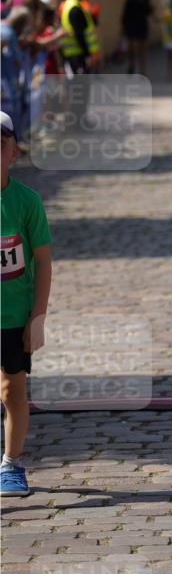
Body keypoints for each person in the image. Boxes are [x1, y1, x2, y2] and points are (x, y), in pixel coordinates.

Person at [1, 111, 52, 497]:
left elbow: (43, 261)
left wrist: (38, 317)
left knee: (11, 391)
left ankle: (12, 464)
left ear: (13, 152)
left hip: (14, 316)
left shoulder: (27, 202)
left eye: (0, 145)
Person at [121, 0, 153, 76]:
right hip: (132, 27)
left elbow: (148, 12)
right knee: (132, 49)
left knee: (142, 50)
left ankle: (142, 70)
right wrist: (124, 27)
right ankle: (132, 65)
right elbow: (126, 13)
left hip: (142, 27)